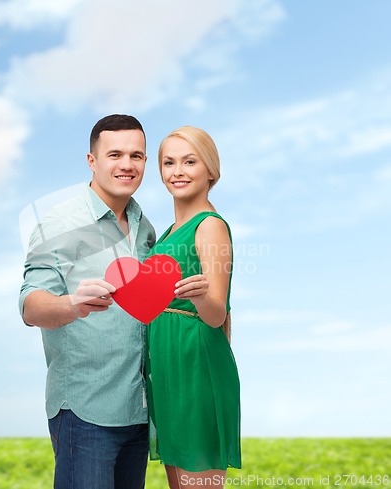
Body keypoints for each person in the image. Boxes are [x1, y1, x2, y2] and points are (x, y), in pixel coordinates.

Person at [19, 114, 155, 489]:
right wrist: (72, 306)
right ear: (91, 161)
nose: (126, 164)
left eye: (137, 155)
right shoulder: (58, 223)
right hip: (85, 411)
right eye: (114, 154)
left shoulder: (145, 227)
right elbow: (31, 305)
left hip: (137, 409)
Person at [145, 126, 241, 489]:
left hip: (196, 366)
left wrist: (202, 296)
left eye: (190, 161)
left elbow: (217, 314)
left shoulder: (210, 226)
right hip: (169, 368)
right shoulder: (169, 232)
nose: (177, 171)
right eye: (168, 162)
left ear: (211, 171)